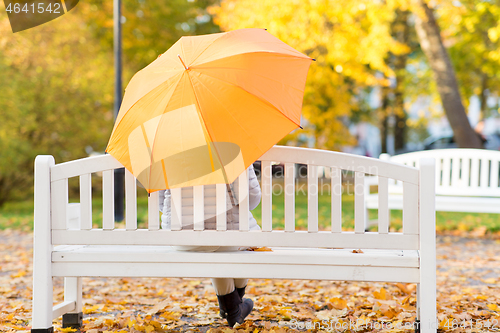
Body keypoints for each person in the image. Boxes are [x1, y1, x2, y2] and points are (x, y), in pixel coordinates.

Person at [159, 164, 262, 327]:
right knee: (238, 240)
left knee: (217, 244)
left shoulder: (169, 153)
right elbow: (252, 199)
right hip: (229, 237)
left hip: (181, 237)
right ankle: (234, 308)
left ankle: (233, 307)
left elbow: (161, 203)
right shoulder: (236, 152)